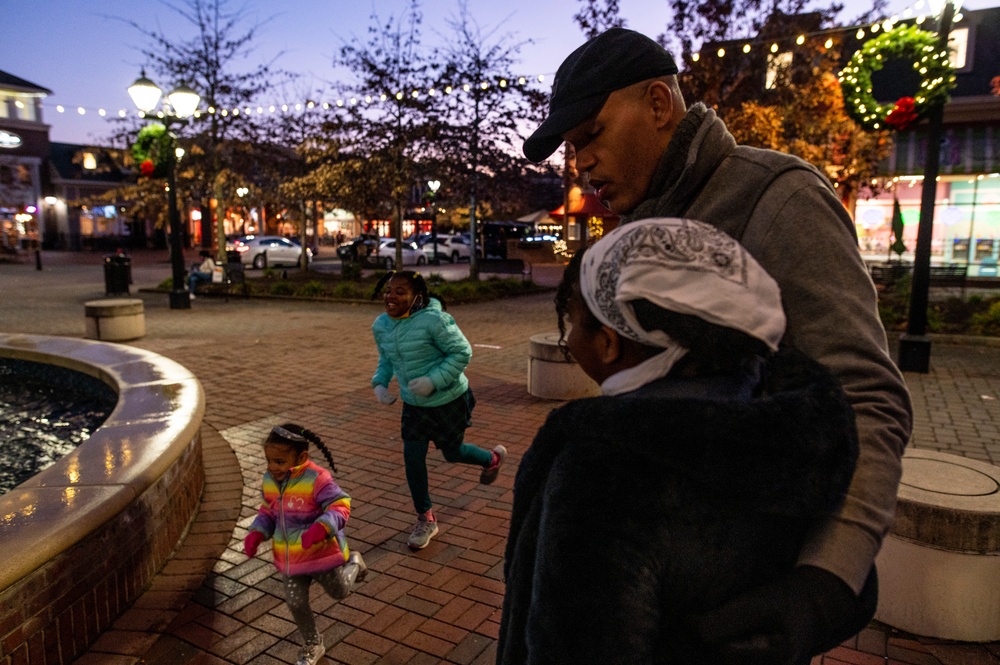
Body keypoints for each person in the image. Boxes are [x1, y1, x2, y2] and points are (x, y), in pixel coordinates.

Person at [521, 27, 912, 664]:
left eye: (588, 135)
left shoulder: (777, 197)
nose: (580, 163)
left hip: (735, 618)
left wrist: (826, 582)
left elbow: (864, 393)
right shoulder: (639, 225)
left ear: (656, 104)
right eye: (570, 148)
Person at [497, 218, 861, 664]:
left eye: (573, 320)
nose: (569, 339)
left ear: (609, 343)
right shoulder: (799, 430)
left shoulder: (606, 472)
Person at [370, 270, 506, 550]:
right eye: (389, 290)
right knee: (413, 458)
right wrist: (380, 383)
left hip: (449, 400)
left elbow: (462, 352)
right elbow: (387, 358)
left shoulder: (435, 320)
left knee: (452, 452)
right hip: (414, 406)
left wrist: (434, 381)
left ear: (417, 296)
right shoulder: (381, 325)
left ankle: (490, 458)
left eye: (400, 291)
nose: (391, 296)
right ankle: (425, 518)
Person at [244, 423, 367, 665]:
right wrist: (257, 533)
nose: (272, 467)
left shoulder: (317, 479)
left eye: (279, 461)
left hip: (321, 555)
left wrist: (322, 527)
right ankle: (313, 643)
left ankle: (354, 562)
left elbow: (340, 504)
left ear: (301, 457)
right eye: (269, 460)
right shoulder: (269, 479)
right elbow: (269, 511)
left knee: (339, 592)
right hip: (291, 559)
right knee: (295, 601)